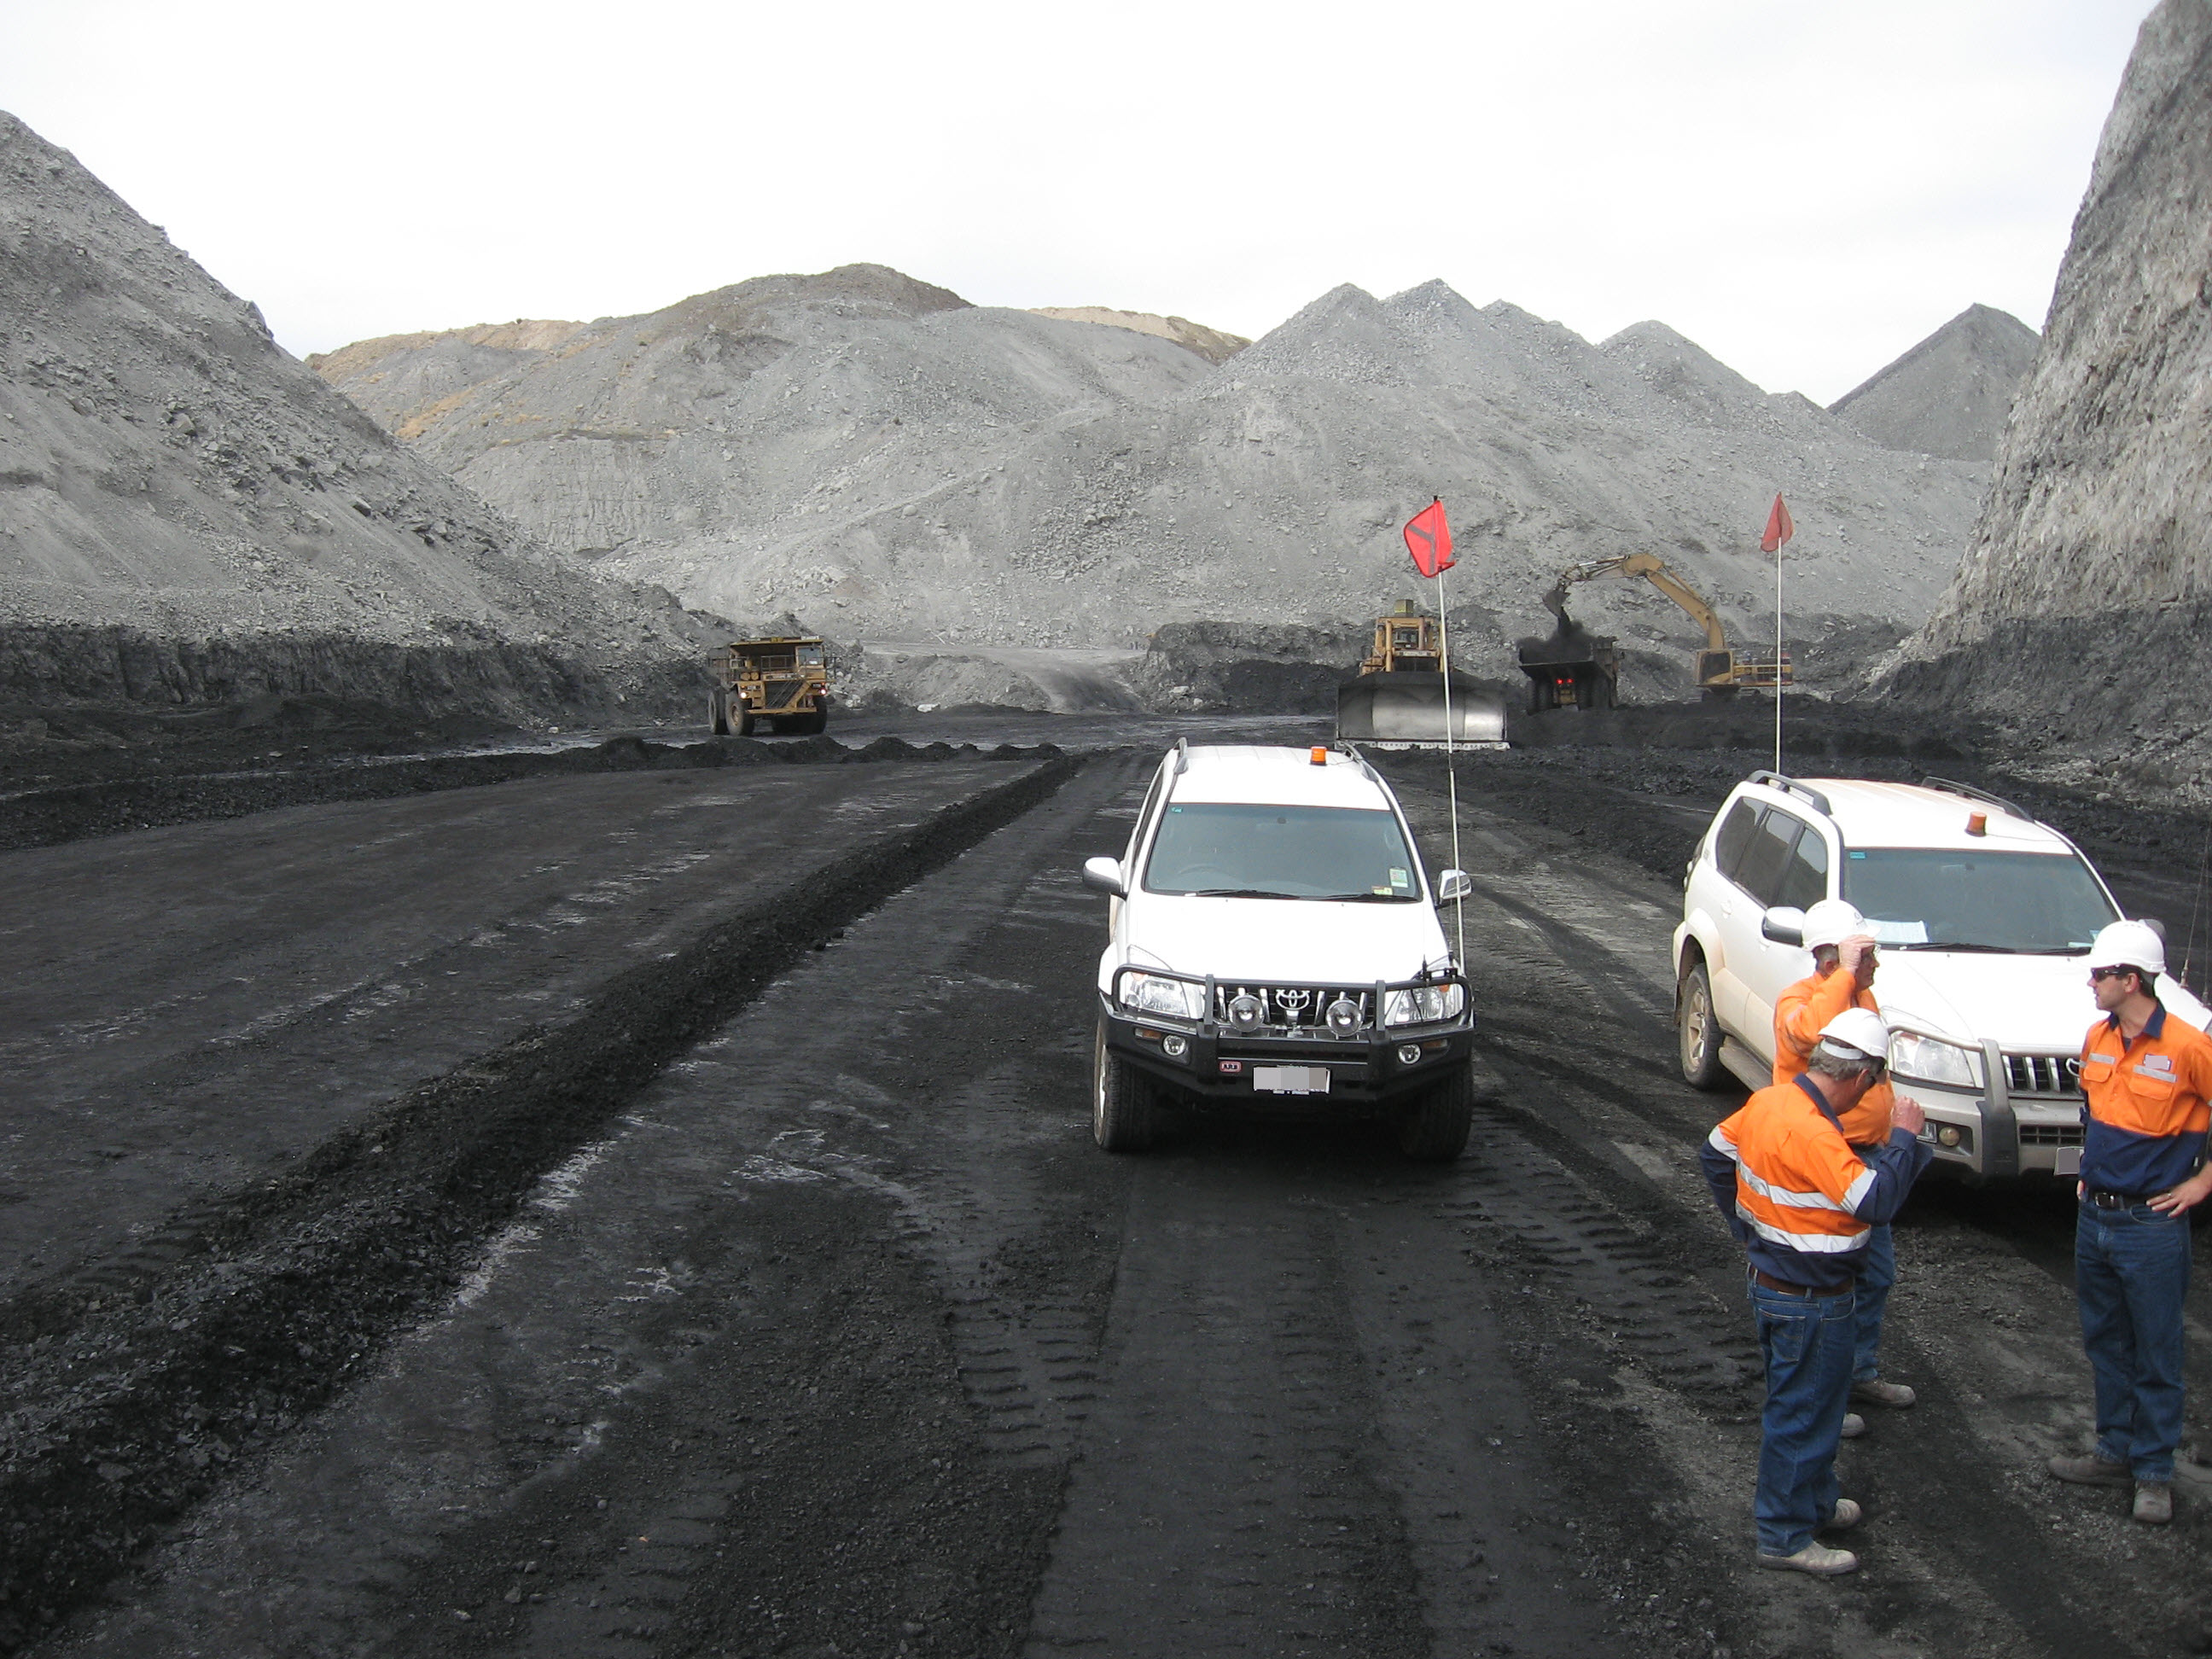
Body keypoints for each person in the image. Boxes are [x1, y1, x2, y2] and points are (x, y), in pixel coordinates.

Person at [1702, 1009, 1932, 1576]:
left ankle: (1814, 1503)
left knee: (1818, 1410)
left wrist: (1748, 1229)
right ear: (1861, 1076)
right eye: (1873, 1085)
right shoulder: (1816, 1133)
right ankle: (1783, 1535)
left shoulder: (1770, 1102)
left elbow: (1714, 1152)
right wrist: (1904, 1138)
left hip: (1777, 1286)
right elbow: (1875, 1202)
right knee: (1802, 1414)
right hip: (1811, 1301)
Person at [2047, 919, 2212, 1526]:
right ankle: (2114, 1452)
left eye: (2100, 974)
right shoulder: (2097, 1037)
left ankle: (2154, 1473)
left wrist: (2201, 1182)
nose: (2091, 983)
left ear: (2131, 979)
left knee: (2156, 1351)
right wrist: (2090, 1170)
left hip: (2151, 1227)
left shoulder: (2190, 1048)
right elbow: (2093, 1112)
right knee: (2106, 1344)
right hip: (2096, 1218)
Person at [1773, 899, 1915, 1420]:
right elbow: (1808, 1034)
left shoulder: (1860, 996)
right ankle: (1819, 1394)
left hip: (1866, 1158)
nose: (1875, 963)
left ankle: (1857, 1374)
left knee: (1875, 1275)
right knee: (1823, 1280)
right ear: (1834, 959)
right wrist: (1845, 975)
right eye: (1865, 955)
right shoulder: (1799, 1000)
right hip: (1823, 1162)